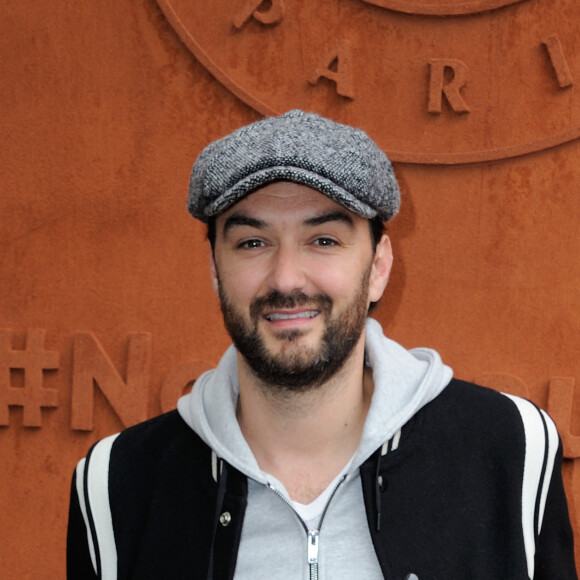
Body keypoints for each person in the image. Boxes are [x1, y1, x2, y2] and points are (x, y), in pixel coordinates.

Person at [67, 110, 577, 580]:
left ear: (378, 267)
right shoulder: (116, 484)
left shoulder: (510, 449)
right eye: (252, 242)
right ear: (215, 273)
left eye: (324, 240)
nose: (286, 278)